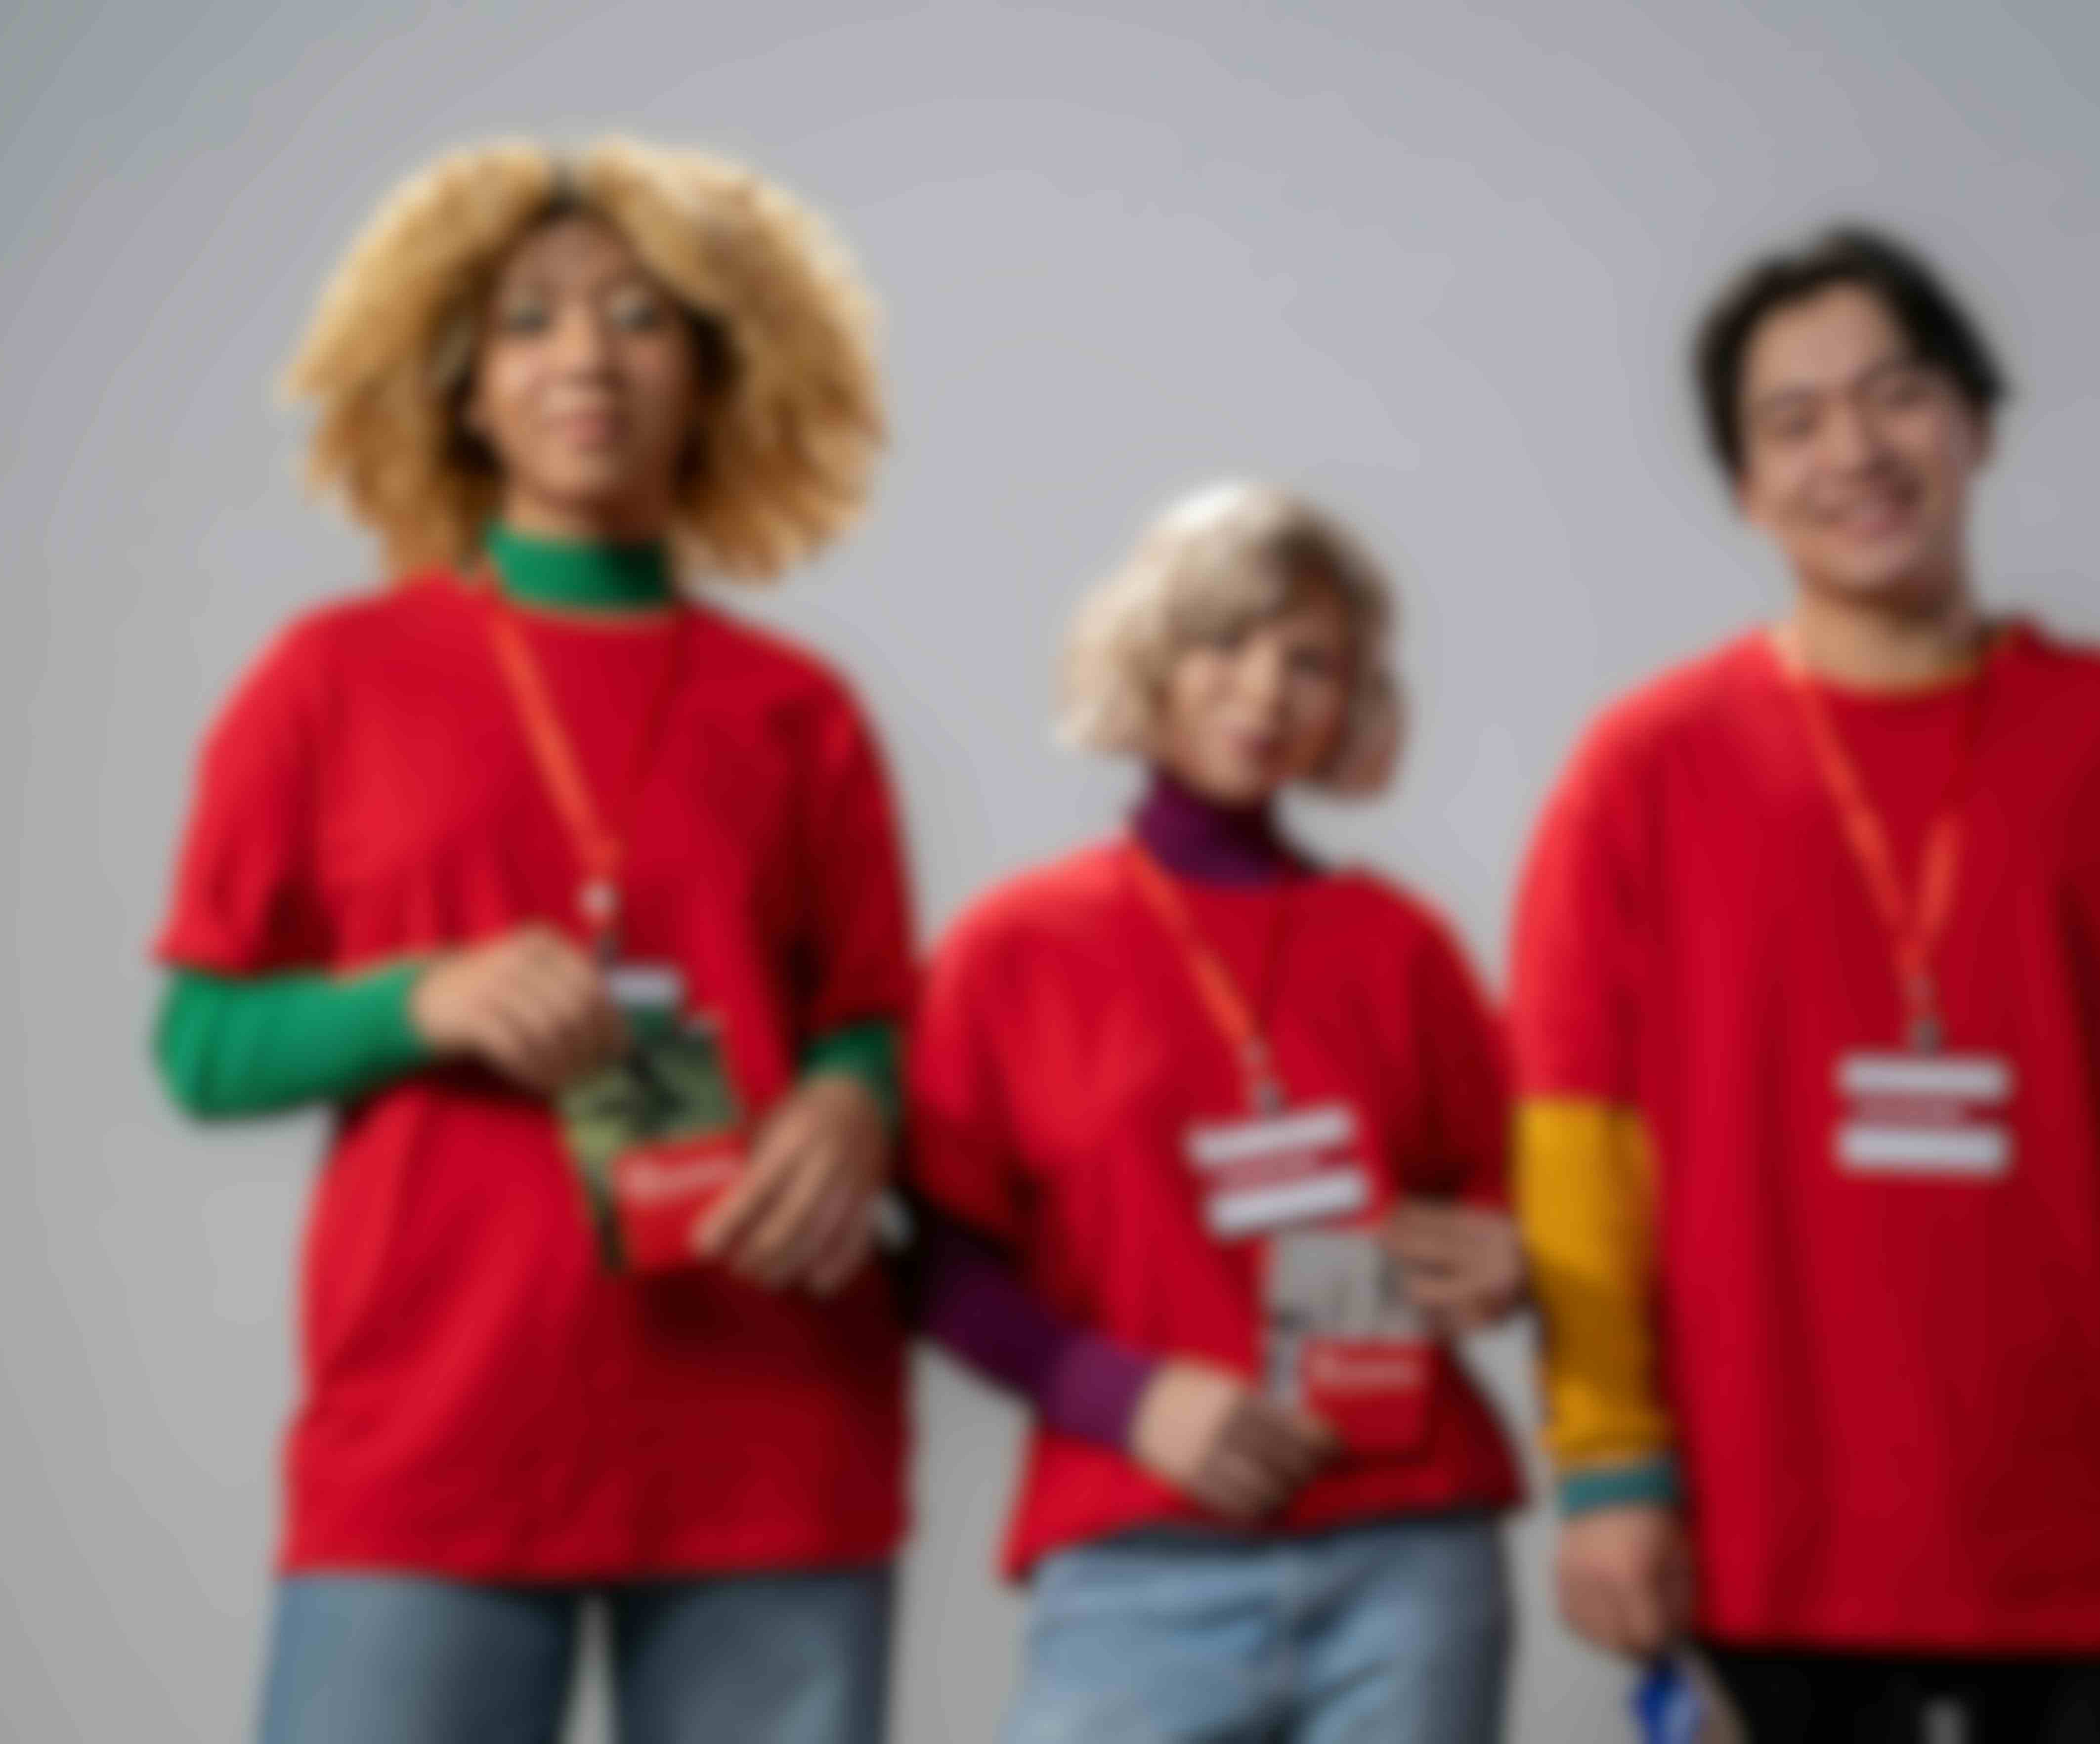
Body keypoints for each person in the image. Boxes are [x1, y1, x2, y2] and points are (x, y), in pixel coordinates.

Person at [1510, 227, 2100, 1742]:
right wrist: (1607, 1467)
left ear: (1972, 422)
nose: (1851, 449)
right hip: (1760, 1542)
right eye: (1791, 421)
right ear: (1741, 484)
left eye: (1894, 395)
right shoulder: (1637, 775)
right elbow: (1580, 1156)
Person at [152, 137, 913, 1744]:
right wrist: (415, 1000)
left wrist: (853, 1105)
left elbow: (872, 1018)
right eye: (528, 321)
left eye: (643, 317)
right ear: (461, 391)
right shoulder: (329, 681)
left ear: (716, 377)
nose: (585, 355)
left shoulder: (796, 714)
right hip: (438, 1432)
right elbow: (202, 1043)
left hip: (767, 1429)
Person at [906, 482, 1528, 1744]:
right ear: (1150, 654)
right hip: (1138, 1560)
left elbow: (1512, 1189)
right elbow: (935, 1262)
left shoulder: (1400, 947)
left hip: (1407, 1560)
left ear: (1351, 704)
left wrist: (1516, 1257)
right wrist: (1122, 1396)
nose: (1263, 689)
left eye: (1311, 662)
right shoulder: (1012, 953)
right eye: (1224, 641)